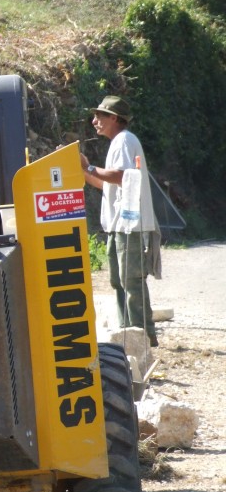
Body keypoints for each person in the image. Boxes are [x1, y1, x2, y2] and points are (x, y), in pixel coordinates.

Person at [80, 95, 159, 346]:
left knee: (131, 281)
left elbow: (122, 176)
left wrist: (89, 167)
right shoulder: (119, 142)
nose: (94, 121)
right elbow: (107, 185)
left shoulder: (125, 140)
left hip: (130, 225)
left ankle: (144, 337)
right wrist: (79, 169)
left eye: (99, 116)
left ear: (114, 118)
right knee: (118, 280)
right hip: (119, 225)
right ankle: (128, 334)